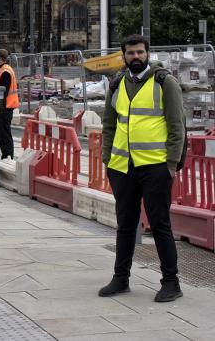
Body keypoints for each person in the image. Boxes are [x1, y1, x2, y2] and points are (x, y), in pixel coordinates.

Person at [99, 34, 184, 303]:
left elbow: (177, 127)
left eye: (140, 52)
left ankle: (171, 282)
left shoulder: (164, 82)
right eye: (131, 53)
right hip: (123, 167)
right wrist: (106, 159)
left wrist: (171, 164)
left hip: (156, 167)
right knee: (125, 225)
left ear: (148, 53)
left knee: (160, 225)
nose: (136, 57)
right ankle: (120, 278)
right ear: (123, 55)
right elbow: (109, 125)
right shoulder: (117, 84)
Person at [0, 49, 19, 160]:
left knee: (4, 133)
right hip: (6, 106)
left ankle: (7, 155)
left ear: (0, 58)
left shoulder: (5, 71)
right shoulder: (4, 69)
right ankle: (7, 154)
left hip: (6, 107)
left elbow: (3, 91)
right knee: (4, 132)